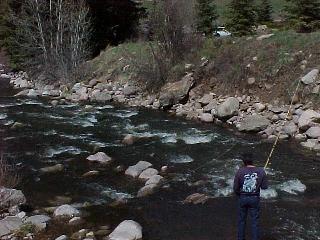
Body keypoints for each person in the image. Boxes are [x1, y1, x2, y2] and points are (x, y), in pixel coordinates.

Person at [233, 153, 268, 240]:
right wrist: (263, 176)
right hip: (254, 199)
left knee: (241, 221)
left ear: (243, 161)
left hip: (242, 198)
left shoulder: (239, 171)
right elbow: (264, 187)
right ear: (252, 160)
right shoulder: (261, 171)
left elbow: (235, 188)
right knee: (255, 222)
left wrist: (239, 195)